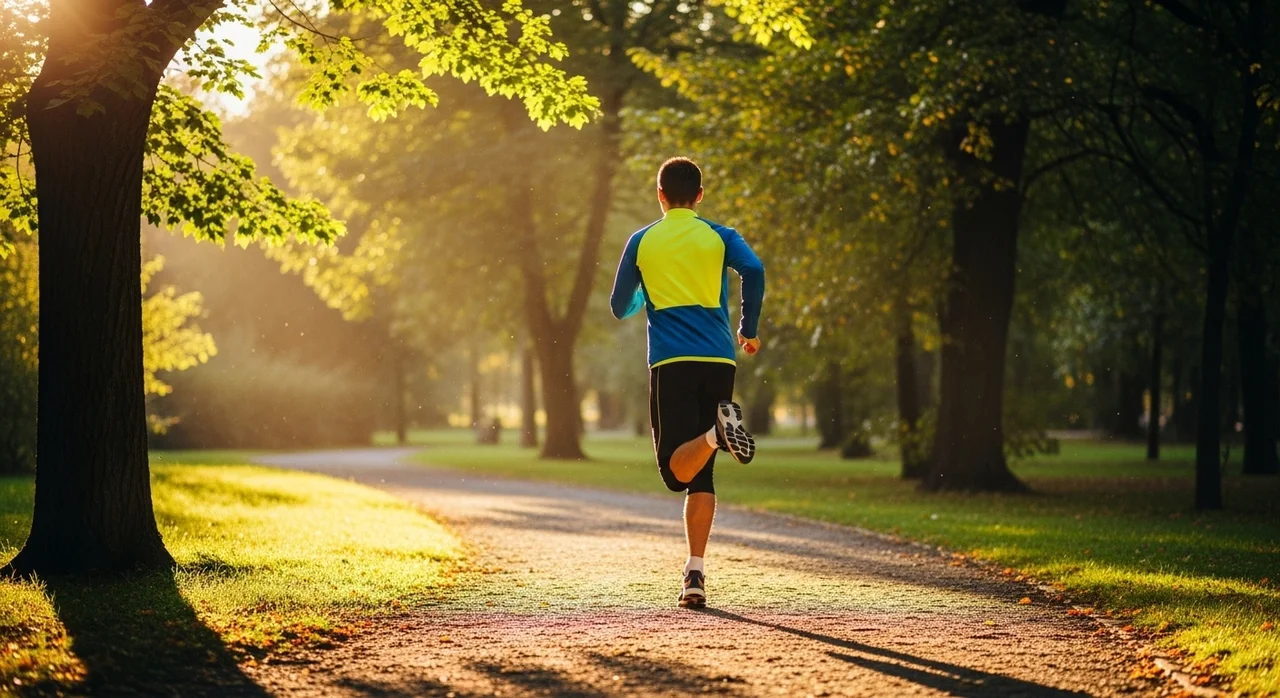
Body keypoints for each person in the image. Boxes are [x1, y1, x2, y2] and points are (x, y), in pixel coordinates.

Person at [608, 156, 765, 609]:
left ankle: (717, 434)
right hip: (719, 359)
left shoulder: (641, 241)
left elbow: (619, 307)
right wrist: (748, 329)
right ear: (699, 195)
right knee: (703, 472)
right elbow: (754, 270)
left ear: (660, 195)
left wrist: (644, 290)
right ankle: (694, 573)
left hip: (671, 361)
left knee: (675, 473)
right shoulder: (720, 235)